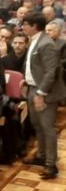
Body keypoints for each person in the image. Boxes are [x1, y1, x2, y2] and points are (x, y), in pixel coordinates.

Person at [22, 13, 66, 179]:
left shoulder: (46, 43)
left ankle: (51, 164)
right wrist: (25, 82)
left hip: (44, 92)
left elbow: (51, 72)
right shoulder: (35, 40)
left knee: (47, 128)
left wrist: (41, 93)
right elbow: (34, 67)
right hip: (33, 88)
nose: (23, 27)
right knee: (37, 125)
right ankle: (41, 155)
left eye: (25, 24)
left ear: (34, 26)